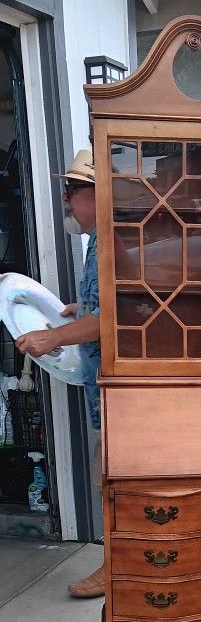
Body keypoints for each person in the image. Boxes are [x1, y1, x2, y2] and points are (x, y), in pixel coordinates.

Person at [15, 149, 105, 598]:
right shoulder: (96, 243)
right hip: (101, 385)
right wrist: (77, 308)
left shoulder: (116, 240)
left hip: (117, 389)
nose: (66, 201)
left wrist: (54, 337)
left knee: (112, 480)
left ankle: (117, 568)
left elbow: (117, 319)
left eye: (71, 191)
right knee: (108, 479)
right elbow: (101, 306)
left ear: (96, 192)